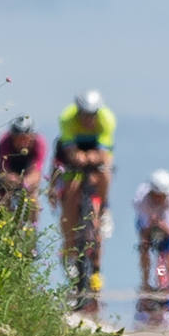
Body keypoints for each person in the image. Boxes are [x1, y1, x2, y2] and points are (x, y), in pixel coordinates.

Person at [55, 89, 117, 291]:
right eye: (84, 114)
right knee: (71, 190)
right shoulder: (67, 118)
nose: (88, 119)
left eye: (92, 115)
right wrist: (80, 158)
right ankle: (69, 244)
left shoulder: (107, 119)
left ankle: (104, 208)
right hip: (73, 153)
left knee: (105, 172)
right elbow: (71, 153)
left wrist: (93, 158)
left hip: (96, 151)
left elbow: (104, 154)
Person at [0, 114, 48, 223]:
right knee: (0, 195)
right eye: (17, 138)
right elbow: (3, 169)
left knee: (33, 199)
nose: (21, 142)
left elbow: (36, 172)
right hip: (10, 171)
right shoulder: (4, 141)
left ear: (31, 136)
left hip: (29, 173)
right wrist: (10, 179)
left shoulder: (39, 143)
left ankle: (31, 230)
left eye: (24, 138)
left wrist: (24, 182)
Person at [134, 168, 169, 291]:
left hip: (166, 224)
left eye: (162, 196)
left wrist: (160, 224)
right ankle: (145, 282)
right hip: (147, 223)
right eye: (156, 196)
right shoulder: (141, 198)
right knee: (144, 246)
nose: (158, 199)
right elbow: (144, 232)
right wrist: (151, 225)